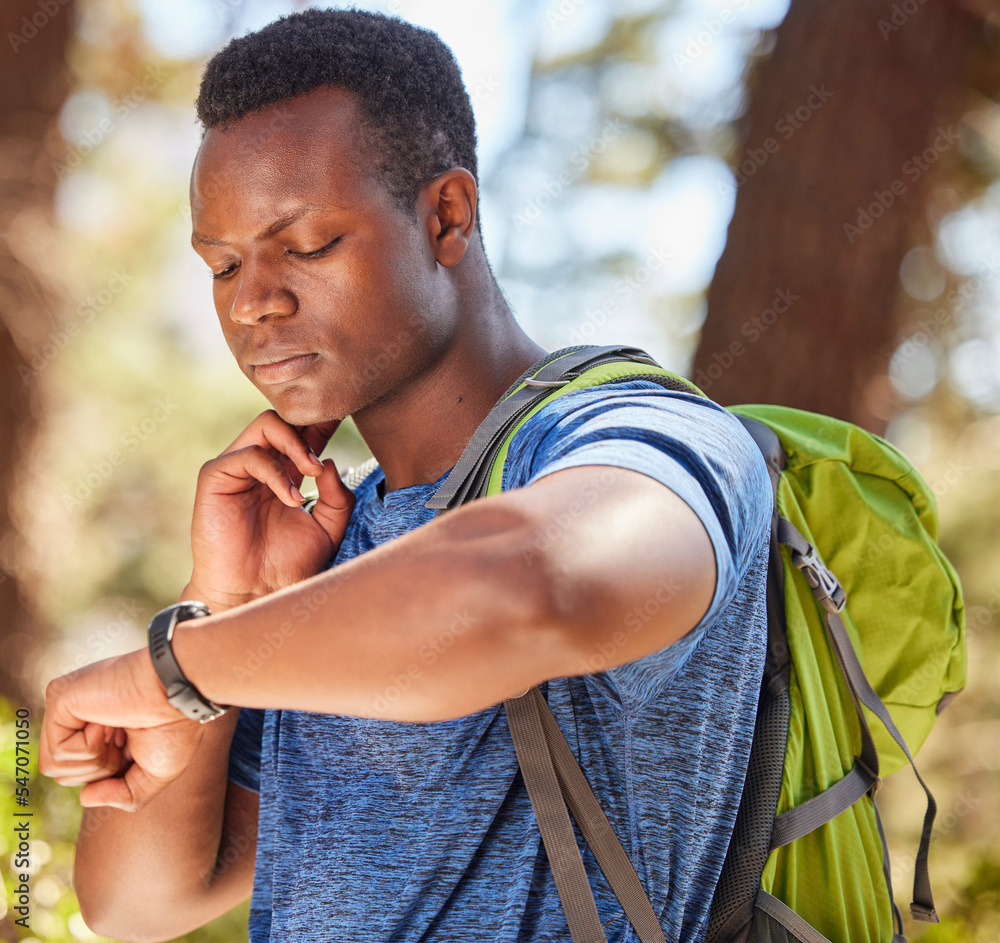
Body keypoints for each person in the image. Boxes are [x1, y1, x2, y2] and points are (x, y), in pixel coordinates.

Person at [39, 9, 773, 942]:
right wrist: (221, 608)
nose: (254, 301)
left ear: (446, 216)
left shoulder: (641, 438)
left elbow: (526, 588)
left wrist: (174, 670)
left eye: (305, 244)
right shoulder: (330, 557)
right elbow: (135, 908)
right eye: (223, 265)